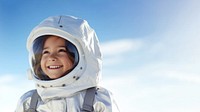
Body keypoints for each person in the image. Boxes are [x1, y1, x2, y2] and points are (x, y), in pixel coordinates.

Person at [15, 15, 120, 112]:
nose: (51, 57)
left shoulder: (98, 100)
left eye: (61, 50)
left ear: (82, 56)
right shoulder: (29, 102)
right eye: (46, 52)